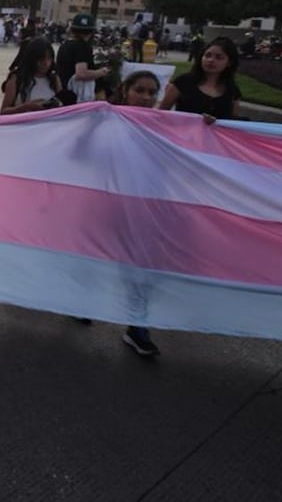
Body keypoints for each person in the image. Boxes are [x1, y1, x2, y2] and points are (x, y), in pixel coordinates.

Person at [110, 70, 164, 356]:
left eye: (151, 92)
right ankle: (79, 304)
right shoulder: (107, 119)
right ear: (125, 90)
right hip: (106, 203)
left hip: (144, 205)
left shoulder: (164, 125)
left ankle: (137, 325)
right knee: (91, 259)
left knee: (140, 266)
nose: (145, 97)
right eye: (139, 90)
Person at [158, 36, 241, 122]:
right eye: (207, 55)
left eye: (218, 57)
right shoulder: (182, 82)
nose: (211, 60)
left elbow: (233, 122)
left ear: (229, 63)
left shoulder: (233, 91)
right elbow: (160, 115)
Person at [0, 37, 62, 115]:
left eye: (49, 58)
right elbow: (3, 111)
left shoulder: (54, 79)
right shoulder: (17, 78)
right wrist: (26, 107)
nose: (46, 63)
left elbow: (61, 107)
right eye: (41, 59)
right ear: (32, 59)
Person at [56, 13, 109, 103]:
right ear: (92, 32)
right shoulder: (83, 47)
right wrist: (102, 72)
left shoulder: (64, 45)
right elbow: (81, 73)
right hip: (77, 97)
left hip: (64, 94)